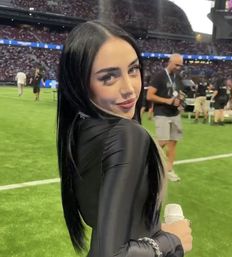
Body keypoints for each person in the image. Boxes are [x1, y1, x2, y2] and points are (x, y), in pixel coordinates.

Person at [57, 20, 192, 257]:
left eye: (133, 69)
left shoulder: (78, 129)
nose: (129, 88)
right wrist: (172, 239)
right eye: (108, 77)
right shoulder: (127, 135)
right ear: (80, 84)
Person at [147, 53, 184, 182]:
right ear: (170, 62)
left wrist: (179, 102)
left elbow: (178, 93)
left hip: (175, 114)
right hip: (162, 113)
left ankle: (169, 170)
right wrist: (167, 101)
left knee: (173, 143)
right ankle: (147, 162)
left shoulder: (177, 77)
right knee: (162, 142)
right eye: (176, 64)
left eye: (181, 65)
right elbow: (149, 95)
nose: (178, 67)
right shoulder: (159, 76)